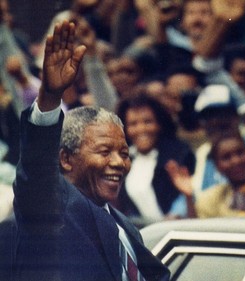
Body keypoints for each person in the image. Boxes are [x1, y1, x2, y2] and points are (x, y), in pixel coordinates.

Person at [12, 20, 170, 281]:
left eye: (124, 153)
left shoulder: (125, 226)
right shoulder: (52, 208)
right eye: (105, 151)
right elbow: (35, 169)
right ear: (66, 159)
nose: (119, 162)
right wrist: (50, 97)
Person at [113, 93, 196, 222]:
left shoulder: (179, 153)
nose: (141, 129)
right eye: (133, 124)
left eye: (148, 122)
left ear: (159, 124)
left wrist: (177, 213)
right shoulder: (123, 160)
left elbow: (191, 193)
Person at [167, 131, 245, 218]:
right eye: (226, 157)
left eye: (240, 153)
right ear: (217, 166)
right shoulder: (211, 199)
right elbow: (198, 233)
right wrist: (188, 198)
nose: (236, 161)